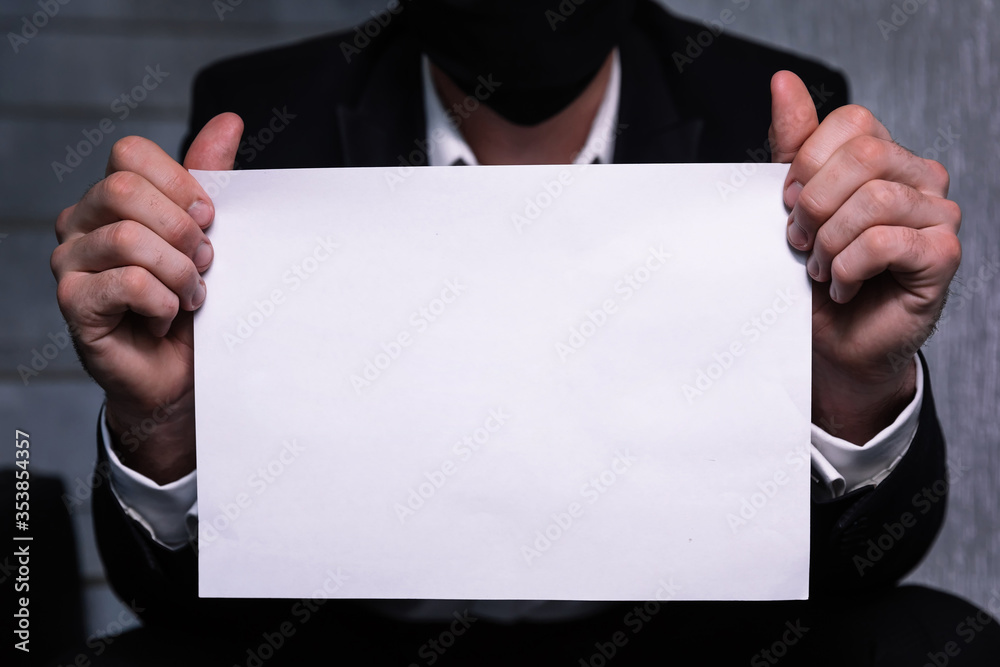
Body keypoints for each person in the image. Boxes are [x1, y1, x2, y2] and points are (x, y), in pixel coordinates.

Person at [50, 1, 999, 664]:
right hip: (353, 639)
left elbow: (868, 569)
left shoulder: (758, 100)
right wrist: (163, 422)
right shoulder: (266, 107)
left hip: (678, 640)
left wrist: (858, 388)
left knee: (933, 641)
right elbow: (163, 597)